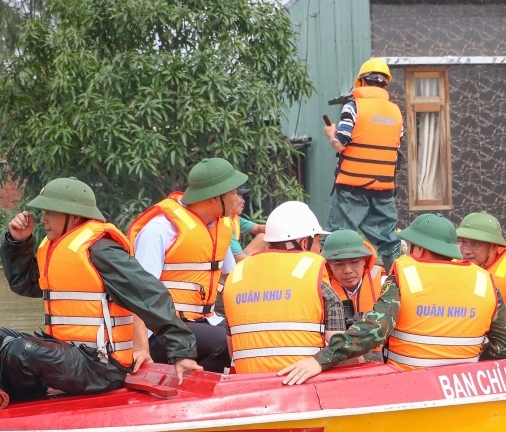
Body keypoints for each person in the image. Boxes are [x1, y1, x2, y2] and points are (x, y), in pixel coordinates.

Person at [0, 178, 200, 415]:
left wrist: (181, 351)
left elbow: (151, 296)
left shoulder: (102, 250)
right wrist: (18, 243)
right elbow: (24, 284)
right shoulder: (55, 248)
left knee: (21, 350)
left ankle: (18, 391)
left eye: (50, 213)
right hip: (70, 356)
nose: (43, 220)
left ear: (74, 218)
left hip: (101, 367)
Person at [278, 214, 506, 386]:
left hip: (409, 384)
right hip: (462, 384)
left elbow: (374, 331)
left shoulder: (405, 274)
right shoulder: (483, 280)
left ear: (417, 247)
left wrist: (321, 359)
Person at [127, 158, 246, 373]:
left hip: (205, 321)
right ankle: (191, 391)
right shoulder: (159, 230)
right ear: (214, 198)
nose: (237, 198)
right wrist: (141, 347)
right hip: (163, 331)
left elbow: (233, 279)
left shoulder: (220, 227)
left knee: (244, 338)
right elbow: (139, 293)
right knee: (222, 343)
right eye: (233, 193)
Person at [223, 201, 347, 374]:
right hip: (303, 387)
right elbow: (338, 350)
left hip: (248, 386)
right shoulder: (319, 285)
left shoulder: (237, 276)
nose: (320, 250)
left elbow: (232, 349)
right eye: (319, 242)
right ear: (305, 244)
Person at [323, 58, 404, 270]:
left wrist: (331, 133)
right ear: (386, 84)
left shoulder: (353, 107)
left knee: (338, 239)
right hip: (384, 190)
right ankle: (400, 286)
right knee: (389, 242)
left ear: (361, 82)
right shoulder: (396, 113)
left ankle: (328, 288)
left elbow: (341, 143)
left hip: (351, 189)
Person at [321, 229, 385, 328]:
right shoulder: (320, 287)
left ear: (364, 260)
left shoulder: (384, 282)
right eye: (339, 264)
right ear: (329, 264)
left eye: (354, 262)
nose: (347, 270)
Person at [225, 187, 266, 262]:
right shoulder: (224, 223)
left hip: (239, 258)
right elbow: (238, 258)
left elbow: (257, 228)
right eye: (240, 197)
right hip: (231, 264)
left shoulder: (235, 219)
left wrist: (278, 229)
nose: (243, 201)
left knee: (264, 237)